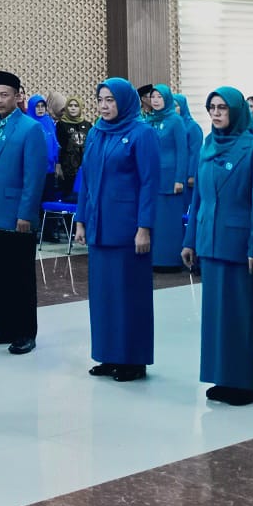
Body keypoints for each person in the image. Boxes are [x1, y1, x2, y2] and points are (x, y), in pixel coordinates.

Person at [181, 87, 253, 406]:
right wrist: (190, 239)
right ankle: (222, 376)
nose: (216, 113)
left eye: (222, 107)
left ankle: (244, 384)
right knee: (216, 317)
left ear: (236, 111)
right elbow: (198, 198)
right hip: (209, 240)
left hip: (239, 244)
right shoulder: (207, 144)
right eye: (212, 107)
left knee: (241, 315)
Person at [74, 78, 159, 382]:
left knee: (129, 295)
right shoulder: (96, 132)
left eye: (110, 100)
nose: (104, 106)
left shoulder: (142, 133)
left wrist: (144, 227)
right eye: (100, 100)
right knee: (103, 296)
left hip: (127, 228)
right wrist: (81, 220)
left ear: (123, 101)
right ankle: (108, 354)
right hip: (99, 226)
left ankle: (132, 359)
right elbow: (87, 178)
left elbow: (150, 183)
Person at [0, 71, 46, 355]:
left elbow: (34, 177)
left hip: (17, 214)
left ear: (17, 96)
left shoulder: (30, 128)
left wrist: (26, 213)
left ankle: (25, 332)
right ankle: (1, 327)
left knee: (20, 276)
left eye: (5, 95)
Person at [146, 84, 187, 272]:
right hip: (152, 177)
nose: (155, 100)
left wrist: (180, 178)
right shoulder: (149, 120)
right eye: (153, 97)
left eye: (159, 97)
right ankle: (154, 259)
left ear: (167, 99)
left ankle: (170, 260)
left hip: (170, 179)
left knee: (168, 222)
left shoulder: (175, 120)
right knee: (154, 220)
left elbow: (182, 151)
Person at [55, 96, 92, 202]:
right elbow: (58, 145)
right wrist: (58, 164)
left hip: (85, 166)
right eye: (70, 105)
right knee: (68, 197)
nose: (73, 108)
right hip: (67, 167)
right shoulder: (61, 125)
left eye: (76, 106)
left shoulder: (87, 125)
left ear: (80, 108)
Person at [25, 94, 60, 204]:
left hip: (50, 168)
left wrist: (57, 162)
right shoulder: (28, 123)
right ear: (32, 107)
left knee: (49, 198)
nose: (40, 109)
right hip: (35, 169)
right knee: (36, 199)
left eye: (42, 106)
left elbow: (54, 142)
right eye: (37, 106)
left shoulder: (48, 121)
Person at [174, 93, 204, 209]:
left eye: (175, 106)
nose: (173, 109)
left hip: (187, 173)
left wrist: (192, 175)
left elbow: (195, 152)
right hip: (175, 172)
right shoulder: (171, 125)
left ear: (182, 106)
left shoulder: (192, 127)